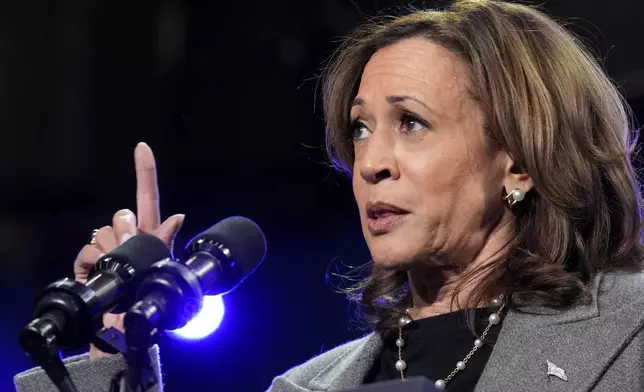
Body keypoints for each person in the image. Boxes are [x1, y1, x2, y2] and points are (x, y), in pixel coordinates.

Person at [13, 0, 644, 391]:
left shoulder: (631, 330)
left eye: (412, 123)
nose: (369, 162)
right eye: (360, 129)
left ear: (520, 163)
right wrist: (115, 348)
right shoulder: (306, 387)